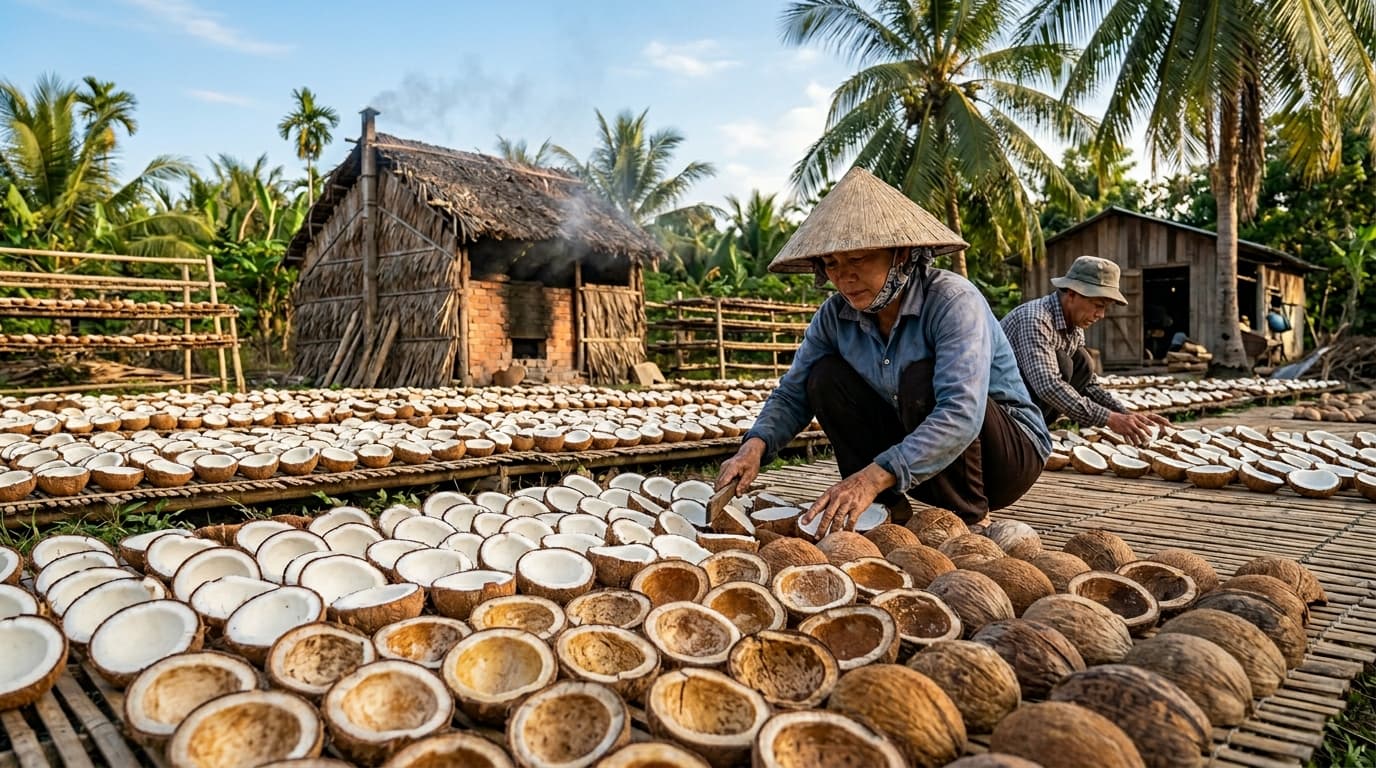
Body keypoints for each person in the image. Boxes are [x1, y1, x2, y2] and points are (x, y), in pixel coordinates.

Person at [715, 167, 1051, 535]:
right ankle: (885, 512)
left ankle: (970, 520)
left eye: (857, 259)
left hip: (1004, 460)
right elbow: (793, 392)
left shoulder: (953, 301)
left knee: (920, 379)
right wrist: (755, 446)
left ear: (901, 253)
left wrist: (871, 476)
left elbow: (962, 411)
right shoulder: (833, 316)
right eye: (832, 264)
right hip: (920, 459)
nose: (844, 277)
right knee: (823, 376)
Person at [1000, 255, 1170, 444]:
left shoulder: (1074, 326)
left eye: (1105, 308)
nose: (1101, 315)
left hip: (1027, 403)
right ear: (1072, 294)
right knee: (1064, 363)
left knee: (1082, 361)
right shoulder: (1036, 320)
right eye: (1098, 306)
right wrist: (1109, 419)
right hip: (1002, 408)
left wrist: (1126, 414)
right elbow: (1048, 385)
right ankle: (1022, 432)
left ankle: (1034, 429)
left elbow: (1088, 385)